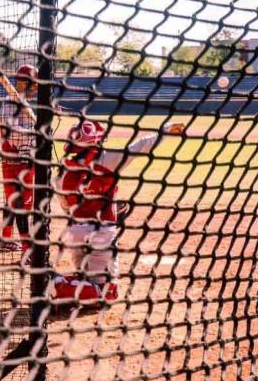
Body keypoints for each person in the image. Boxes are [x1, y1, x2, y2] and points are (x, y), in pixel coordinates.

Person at [52, 119, 186, 304]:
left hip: (75, 233)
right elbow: (140, 146)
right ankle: (57, 287)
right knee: (108, 292)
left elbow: (66, 207)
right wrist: (165, 130)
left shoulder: (63, 172)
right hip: (102, 233)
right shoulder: (108, 161)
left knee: (86, 277)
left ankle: (63, 283)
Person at [0, 65, 39, 257]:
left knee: (12, 201)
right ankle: (27, 249)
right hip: (14, 161)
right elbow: (11, 132)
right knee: (21, 204)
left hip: (25, 159)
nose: (36, 89)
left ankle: (5, 239)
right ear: (25, 83)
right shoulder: (11, 103)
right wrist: (35, 133)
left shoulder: (24, 103)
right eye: (34, 85)